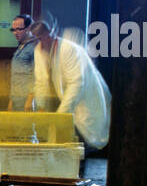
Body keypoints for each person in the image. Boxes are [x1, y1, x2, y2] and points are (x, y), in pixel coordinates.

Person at [32, 18, 111, 149]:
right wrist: (41, 107)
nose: (40, 43)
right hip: (69, 105)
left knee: (84, 143)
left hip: (86, 102)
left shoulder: (69, 49)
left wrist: (60, 115)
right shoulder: (39, 50)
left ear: (51, 34)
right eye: (36, 39)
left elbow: (77, 84)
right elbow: (41, 81)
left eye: (42, 38)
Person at [8, 14, 37, 111]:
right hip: (16, 99)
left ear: (29, 28)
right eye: (13, 30)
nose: (15, 33)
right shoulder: (20, 47)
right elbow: (16, 77)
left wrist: (30, 100)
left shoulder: (34, 47)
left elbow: (36, 76)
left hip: (27, 101)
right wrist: (11, 101)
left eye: (19, 29)